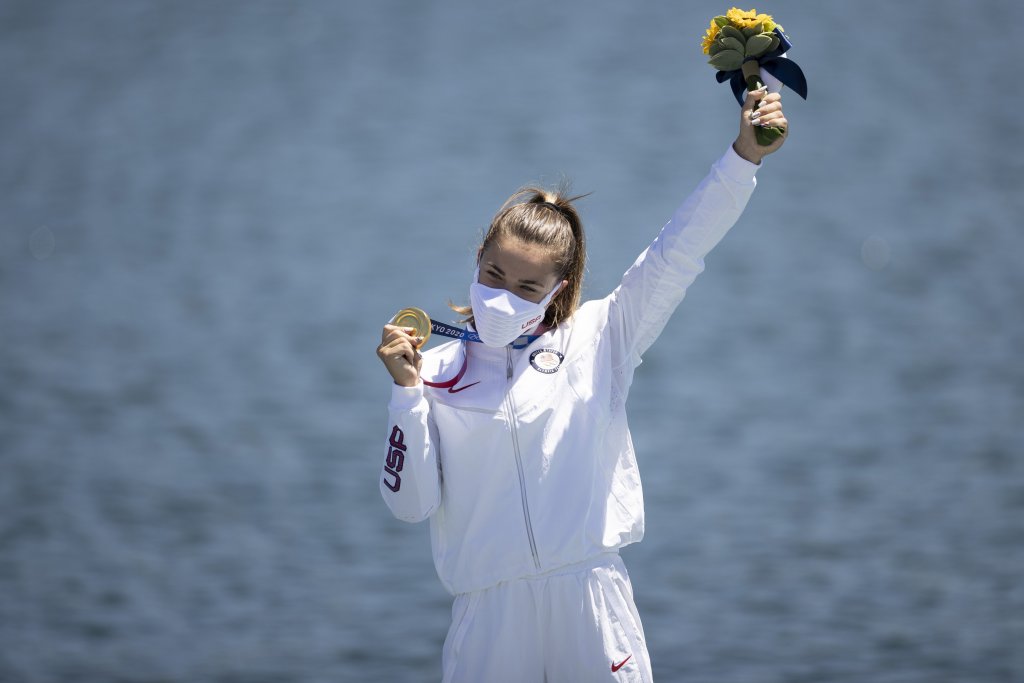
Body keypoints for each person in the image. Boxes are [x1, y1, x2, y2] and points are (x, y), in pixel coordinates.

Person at [375, 86, 788, 682]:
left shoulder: (603, 336)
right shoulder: (433, 372)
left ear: (558, 290)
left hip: (592, 604)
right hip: (490, 618)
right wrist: (406, 396)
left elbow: (679, 251)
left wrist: (744, 157)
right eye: (492, 273)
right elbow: (408, 506)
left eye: (525, 287)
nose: (501, 294)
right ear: (476, 261)